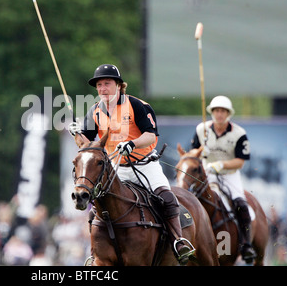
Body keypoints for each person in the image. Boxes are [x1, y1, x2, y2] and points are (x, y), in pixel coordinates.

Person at [68, 63, 195, 265]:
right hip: (115, 170)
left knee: (167, 198)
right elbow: (86, 145)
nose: (102, 89)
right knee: (96, 209)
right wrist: (77, 132)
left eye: (107, 84)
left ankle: (178, 242)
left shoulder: (137, 105)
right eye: (99, 85)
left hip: (144, 164)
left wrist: (132, 143)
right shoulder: (94, 111)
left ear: (118, 85)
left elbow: (150, 135)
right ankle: (95, 253)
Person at [191, 95, 256, 263]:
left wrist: (221, 164)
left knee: (241, 204)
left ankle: (246, 244)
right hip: (207, 173)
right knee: (190, 201)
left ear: (228, 114)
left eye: (223, 111)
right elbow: (193, 154)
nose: (219, 114)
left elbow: (240, 162)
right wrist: (201, 154)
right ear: (212, 112)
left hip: (230, 175)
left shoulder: (239, 133)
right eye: (216, 110)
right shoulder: (201, 129)